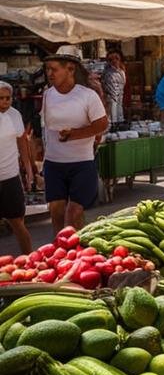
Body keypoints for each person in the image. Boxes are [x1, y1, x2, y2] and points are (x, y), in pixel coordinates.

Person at [41, 49, 108, 230]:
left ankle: (76, 251)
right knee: (56, 211)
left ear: (70, 69)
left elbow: (102, 125)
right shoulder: (47, 95)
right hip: (54, 163)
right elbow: (45, 127)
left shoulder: (87, 95)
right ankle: (59, 251)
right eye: (47, 69)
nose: (49, 74)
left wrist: (75, 134)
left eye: (54, 69)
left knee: (73, 212)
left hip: (81, 163)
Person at [0, 81, 34, 253]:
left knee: (18, 222)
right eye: (1, 98)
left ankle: (30, 260)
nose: (5, 102)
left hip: (11, 177)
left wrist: (28, 170)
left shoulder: (15, 115)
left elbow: (22, 143)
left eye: (8, 98)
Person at [102, 51, 127, 124]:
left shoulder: (121, 71)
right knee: (113, 109)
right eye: (111, 59)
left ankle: (120, 122)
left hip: (119, 95)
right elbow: (109, 87)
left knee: (119, 109)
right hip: (111, 96)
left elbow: (123, 84)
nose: (114, 61)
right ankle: (114, 124)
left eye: (116, 58)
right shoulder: (108, 72)